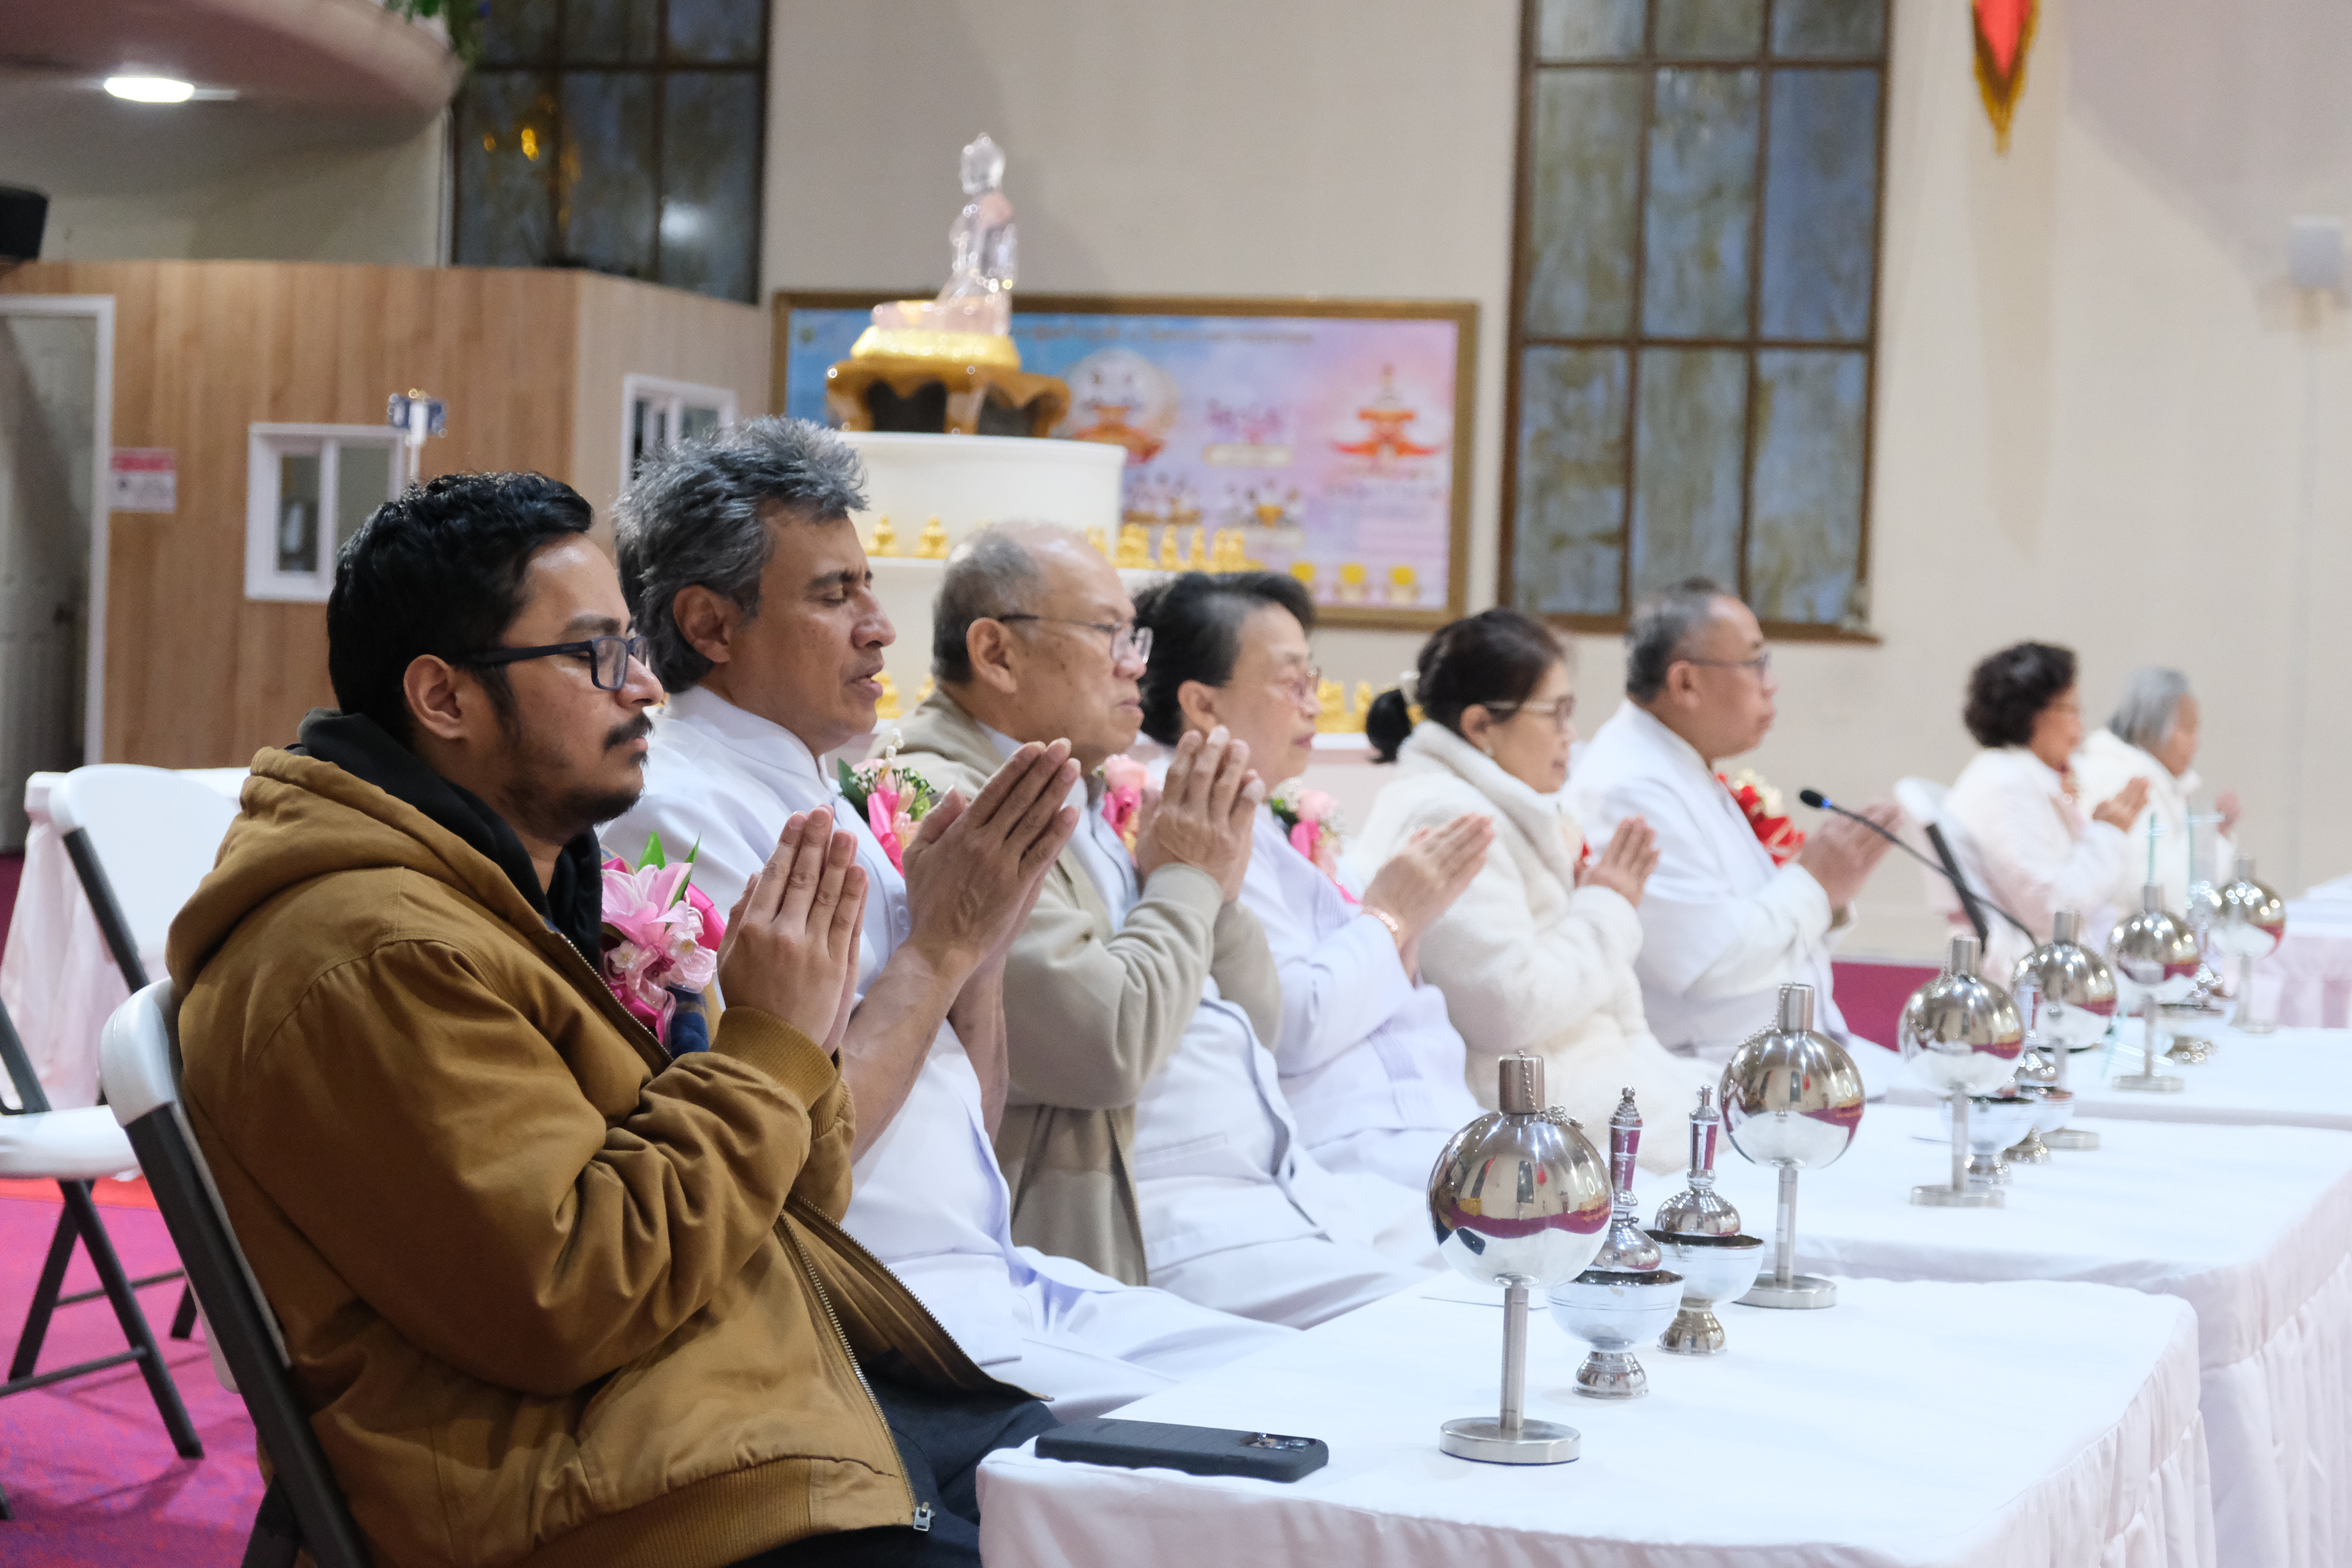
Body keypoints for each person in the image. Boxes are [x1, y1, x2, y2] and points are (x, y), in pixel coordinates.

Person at [166, 471, 1053, 1568]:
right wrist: (770, 1047)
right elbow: (571, 1296)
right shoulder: (371, 950)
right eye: (594, 656)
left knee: (1110, 1502)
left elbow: (786, 1191)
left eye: (631, 648)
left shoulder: (502, 885)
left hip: (718, 1403)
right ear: (443, 699)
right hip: (618, 1496)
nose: (641, 688)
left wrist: (796, 1043)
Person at [604, 419, 1295, 1418]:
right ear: (712, 627)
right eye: (835, 595)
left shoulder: (833, 795)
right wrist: (938, 950)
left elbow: (966, 1113)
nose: (880, 626)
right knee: (1261, 1437)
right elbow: (790, 1156)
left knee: (1308, 1383)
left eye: (869, 587)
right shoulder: (675, 810)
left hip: (989, 1268)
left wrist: (981, 945)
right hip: (872, 1316)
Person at [892, 522, 1433, 1327]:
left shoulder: (1084, 782)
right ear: (996, 653)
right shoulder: (949, 797)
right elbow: (1103, 1046)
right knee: (1450, 1325)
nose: (1134, 662)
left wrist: (1216, 873)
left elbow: (1259, 1017)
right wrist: (1184, 876)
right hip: (1148, 1217)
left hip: (1265, 1182)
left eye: (1135, 635)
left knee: (1506, 1280)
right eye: (1109, 633)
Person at [1129, 571, 1486, 1189]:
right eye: (1291, 681)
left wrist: (1399, 927)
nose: (1313, 701)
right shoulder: (1195, 823)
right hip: (1353, 1146)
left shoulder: (1272, 809)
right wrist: (1393, 917)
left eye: (1312, 678)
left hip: (1425, 1122)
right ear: (1203, 703)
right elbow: (1295, 1024)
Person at [1354, 610, 1702, 1170]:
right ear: (1481, 727)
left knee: (1740, 1115)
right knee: (1747, 1143)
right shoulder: (1456, 819)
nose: (1572, 736)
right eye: (1556, 714)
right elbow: (1506, 1006)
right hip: (1527, 1122)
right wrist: (1607, 904)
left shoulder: (1491, 805)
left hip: (1582, 1080)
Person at [1566, 578, 1906, 1095]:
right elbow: (1711, 965)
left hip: (1780, 1065)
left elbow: (1752, 924)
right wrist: (1815, 882)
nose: (1771, 684)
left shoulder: (1679, 766)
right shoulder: (1633, 788)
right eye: (1755, 663)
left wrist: (1828, 893)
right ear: (1685, 684)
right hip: (1717, 1089)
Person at [1942, 641, 2148, 978]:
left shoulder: (2018, 777)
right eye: (2072, 710)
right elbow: (2052, 909)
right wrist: (2109, 835)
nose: (2078, 728)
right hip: (2029, 984)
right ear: (2032, 712)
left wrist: (2098, 832)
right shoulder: (2005, 783)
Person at [2073, 666, 2240, 915]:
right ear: (2148, 727)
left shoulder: (2161, 783)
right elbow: (2150, 891)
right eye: (2186, 729)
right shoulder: (2119, 780)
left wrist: (2213, 835)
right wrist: (2208, 837)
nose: (2195, 742)